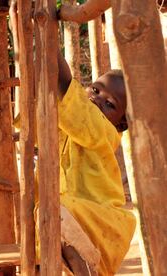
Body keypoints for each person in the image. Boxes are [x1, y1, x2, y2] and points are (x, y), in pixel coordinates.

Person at [42, 51, 136, 275]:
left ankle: (85, 269)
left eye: (109, 104)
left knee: (56, 210)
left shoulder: (103, 131)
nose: (96, 99)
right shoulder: (74, 121)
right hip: (70, 212)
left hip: (98, 217)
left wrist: (49, 40)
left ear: (120, 123)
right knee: (48, 214)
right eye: (95, 90)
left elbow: (64, 84)